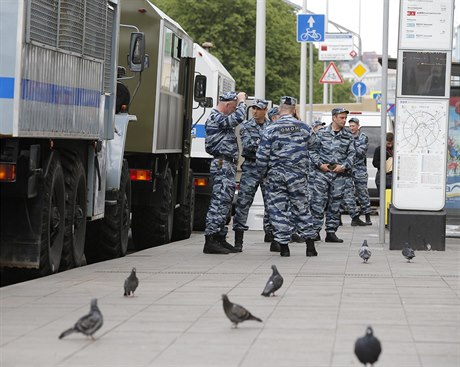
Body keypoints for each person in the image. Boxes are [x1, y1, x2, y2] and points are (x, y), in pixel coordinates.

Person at [257, 96, 317, 257]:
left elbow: (262, 156)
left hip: (276, 176)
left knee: (278, 210)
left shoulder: (270, 129)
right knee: (302, 208)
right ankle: (310, 246)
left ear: (279, 108)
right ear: (294, 110)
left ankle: (284, 247)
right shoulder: (304, 127)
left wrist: (262, 174)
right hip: (298, 176)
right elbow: (314, 144)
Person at [203, 91, 247, 254]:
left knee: (226, 202)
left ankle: (220, 238)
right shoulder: (216, 116)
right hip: (222, 163)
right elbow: (238, 118)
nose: (235, 110)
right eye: (234, 107)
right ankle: (211, 239)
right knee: (219, 201)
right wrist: (242, 102)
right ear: (227, 105)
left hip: (227, 164)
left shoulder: (222, 117)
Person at [309, 107, 356, 243]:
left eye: (345, 118)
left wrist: (344, 166)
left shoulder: (347, 136)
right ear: (334, 118)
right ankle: (315, 231)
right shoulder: (321, 133)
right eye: (341, 118)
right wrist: (320, 164)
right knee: (318, 203)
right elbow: (312, 151)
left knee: (335, 204)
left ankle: (331, 232)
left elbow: (352, 155)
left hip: (339, 175)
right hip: (322, 174)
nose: (344, 120)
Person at [233, 98, 270, 251]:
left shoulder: (272, 127)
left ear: (265, 110)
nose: (254, 111)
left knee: (272, 203)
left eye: (258, 108)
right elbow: (248, 147)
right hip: (251, 167)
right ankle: (238, 240)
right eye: (253, 108)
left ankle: (272, 235)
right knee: (243, 203)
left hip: (268, 169)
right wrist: (267, 146)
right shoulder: (246, 126)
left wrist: (263, 145)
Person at [341, 117, 371, 226]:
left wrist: (350, 145)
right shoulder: (346, 136)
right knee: (347, 193)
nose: (351, 128)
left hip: (359, 169)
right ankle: (353, 217)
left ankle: (367, 216)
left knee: (362, 192)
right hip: (348, 169)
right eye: (350, 126)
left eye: (353, 126)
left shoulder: (363, 137)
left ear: (358, 126)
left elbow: (360, 152)